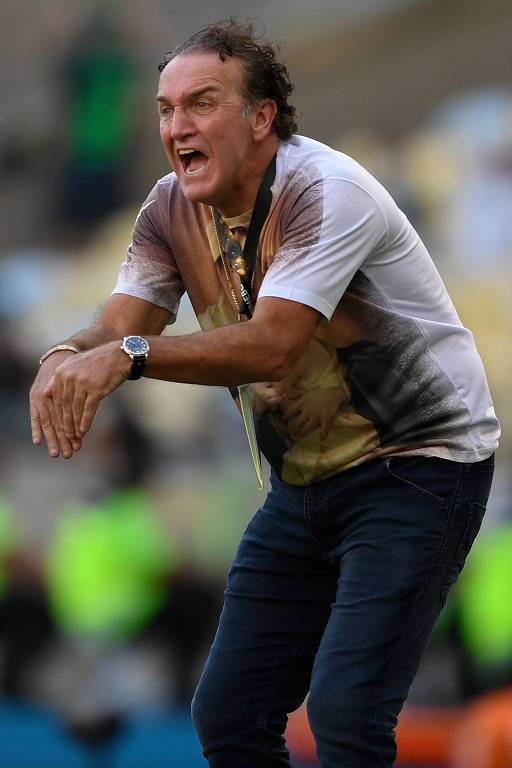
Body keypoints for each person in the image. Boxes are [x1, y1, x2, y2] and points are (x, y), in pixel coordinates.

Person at [29, 19, 500, 768]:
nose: (177, 125)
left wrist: (127, 357)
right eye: (165, 109)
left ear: (262, 118)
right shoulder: (167, 206)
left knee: (347, 717)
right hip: (303, 485)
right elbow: (119, 324)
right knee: (228, 716)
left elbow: (272, 343)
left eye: (201, 103)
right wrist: (62, 358)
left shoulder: (325, 191)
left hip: (416, 470)